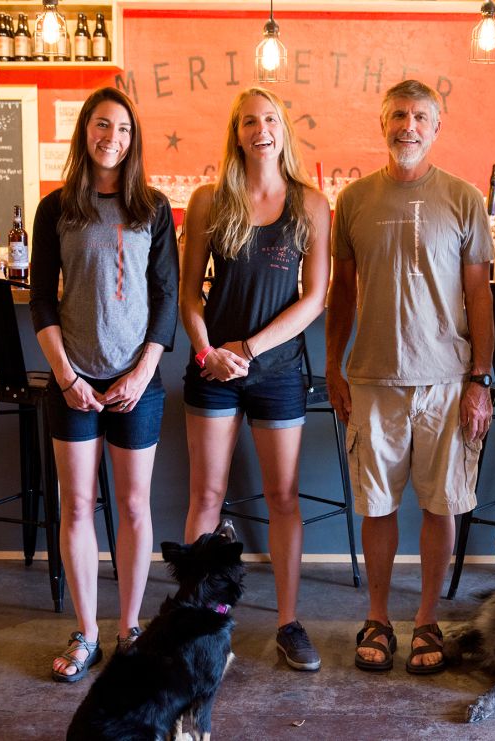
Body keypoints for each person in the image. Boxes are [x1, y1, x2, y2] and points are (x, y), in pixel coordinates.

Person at [325, 79, 494, 675]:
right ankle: (377, 616)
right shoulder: (354, 201)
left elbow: (480, 296)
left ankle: (425, 618)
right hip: (372, 376)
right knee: (376, 506)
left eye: (421, 116)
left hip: (446, 378)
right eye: (399, 114)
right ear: (382, 123)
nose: (409, 126)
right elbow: (340, 292)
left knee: (441, 504)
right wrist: (333, 365)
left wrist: (481, 379)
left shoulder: (463, 198)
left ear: (437, 126)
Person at [30, 86, 179, 683]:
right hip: (74, 378)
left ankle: (130, 628)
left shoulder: (154, 208)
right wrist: (66, 377)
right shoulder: (56, 208)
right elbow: (41, 298)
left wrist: (144, 372)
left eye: (121, 128)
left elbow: (168, 298)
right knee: (76, 506)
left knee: (135, 505)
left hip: (136, 381)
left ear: (133, 138)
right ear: (84, 132)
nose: (110, 138)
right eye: (100, 126)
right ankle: (88, 629)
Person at [179, 87, 331, 672]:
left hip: (277, 371)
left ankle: (289, 624)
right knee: (207, 498)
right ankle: (198, 622)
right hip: (213, 368)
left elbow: (314, 298)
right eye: (249, 121)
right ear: (236, 133)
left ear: (283, 130)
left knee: (283, 498)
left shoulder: (311, 204)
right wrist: (206, 350)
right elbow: (190, 295)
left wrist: (248, 347)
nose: (260, 129)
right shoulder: (208, 201)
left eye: (270, 119)